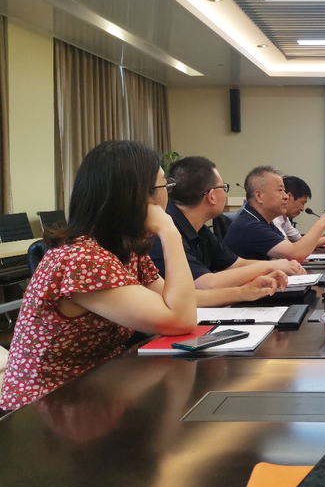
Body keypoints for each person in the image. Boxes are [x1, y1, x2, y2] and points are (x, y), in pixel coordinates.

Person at [0, 141, 202, 411]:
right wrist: (169, 231)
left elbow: (177, 303)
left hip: (97, 389)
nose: (168, 194)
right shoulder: (82, 259)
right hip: (46, 408)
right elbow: (182, 319)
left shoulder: (123, 248)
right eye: (166, 186)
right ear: (141, 197)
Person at [149, 157, 301, 305]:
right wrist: (269, 266)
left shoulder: (199, 228)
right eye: (223, 188)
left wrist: (275, 267)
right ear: (212, 196)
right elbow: (205, 284)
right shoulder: (163, 232)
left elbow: (236, 263)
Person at [224, 165, 325, 261]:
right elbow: (295, 253)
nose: (286, 196)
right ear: (259, 196)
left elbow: (289, 249)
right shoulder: (251, 225)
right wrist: (320, 224)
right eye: (280, 190)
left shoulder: (264, 221)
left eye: (284, 190)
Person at [274, 175, 325, 246]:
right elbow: (291, 249)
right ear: (289, 197)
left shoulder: (284, 219)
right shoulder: (274, 220)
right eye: (302, 203)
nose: (302, 209)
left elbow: (300, 240)